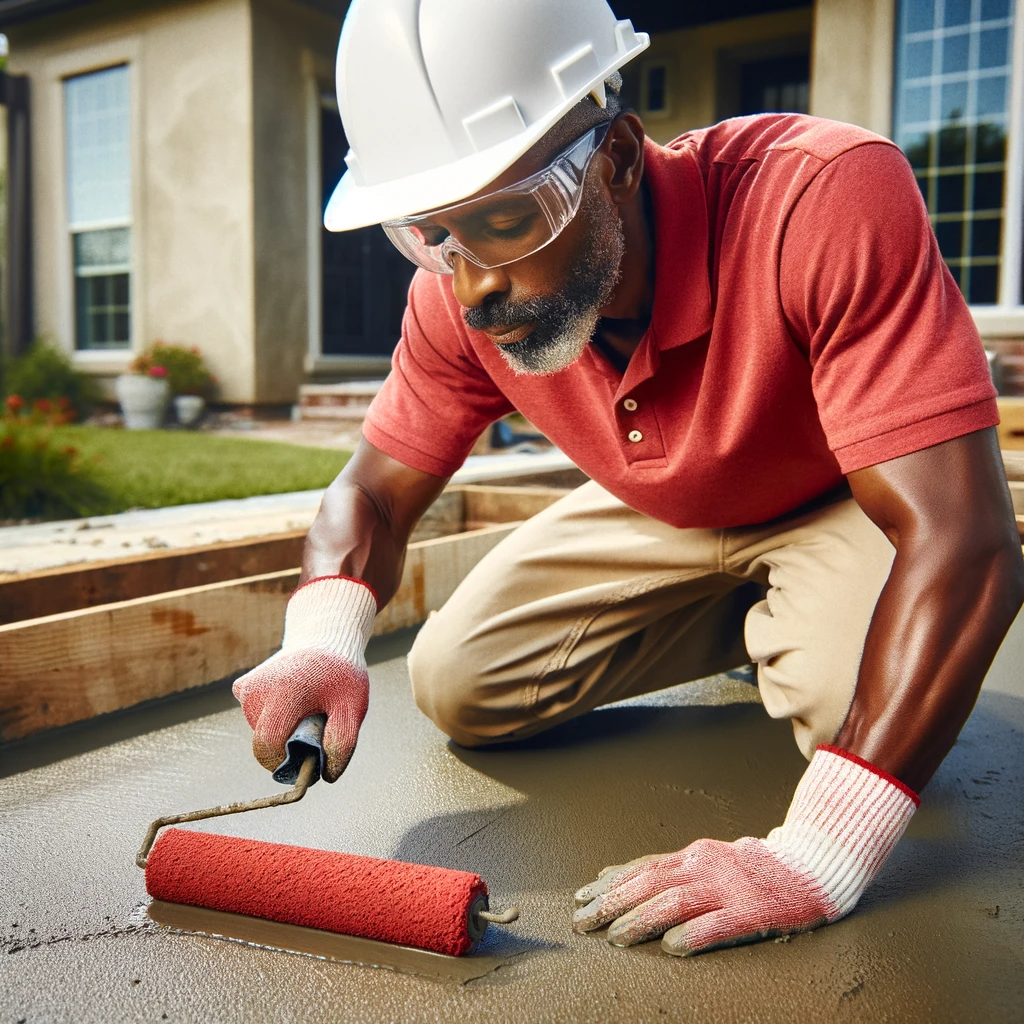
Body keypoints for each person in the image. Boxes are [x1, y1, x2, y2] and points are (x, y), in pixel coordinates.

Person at [233, 0, 1024, 957]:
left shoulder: (822, 198)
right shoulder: (457, 291)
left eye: (504, 219)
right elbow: (371, 492)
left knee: (842, 713)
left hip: (843, 500)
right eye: (431, 232)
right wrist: (321, 640)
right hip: (666, 509)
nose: (474, 283)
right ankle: (751, 618)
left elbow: (968, 544)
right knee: (455, 685)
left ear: (613, 159)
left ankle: (795, 623)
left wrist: (820, 849)